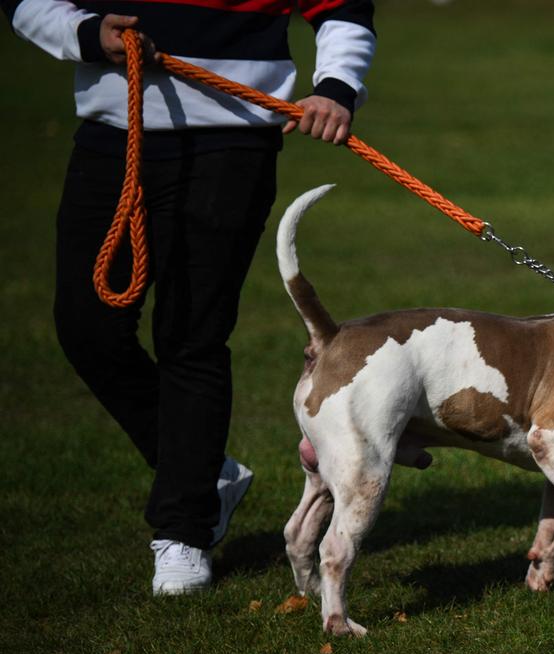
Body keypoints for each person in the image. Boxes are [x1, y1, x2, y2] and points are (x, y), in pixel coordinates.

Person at [4, 0, 376, 594]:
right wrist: (83, 31)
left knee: (193, 335)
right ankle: (205, 474)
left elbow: (343, 9)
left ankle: (184, 529)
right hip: (112, 133)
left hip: (234, 146)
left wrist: (335, 85)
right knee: (86, 328)